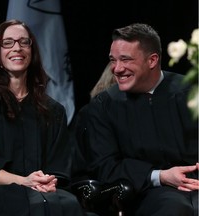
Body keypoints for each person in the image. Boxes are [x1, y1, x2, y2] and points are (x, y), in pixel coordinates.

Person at [0, 19, 86, 216]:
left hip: (43, 192)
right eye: (8, 43)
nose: (17, 48)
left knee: (69, 204)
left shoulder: (53, 110)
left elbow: (60, 166)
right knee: (28, 204)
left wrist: (46, 181)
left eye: (24, 42)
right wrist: (23, 181)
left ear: (32, 51)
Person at [73, 23, 198, 215]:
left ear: (152, 60)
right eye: (113, 60)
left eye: (125, 59)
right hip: (149, 192)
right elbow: (105, 167)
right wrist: (160, 176)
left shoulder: (190, 91)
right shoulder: (104, 106)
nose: (117, 68)